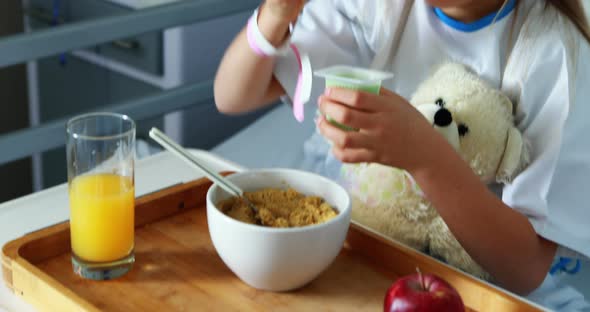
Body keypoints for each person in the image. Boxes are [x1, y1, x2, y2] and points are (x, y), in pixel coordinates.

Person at [214, 0, 590, 310]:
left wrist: (425, 156)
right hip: (374, 251)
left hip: (483, 282)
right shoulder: (381, 8)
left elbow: (525, 268)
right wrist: (276, 15)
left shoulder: (556, 54)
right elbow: (233, 95)